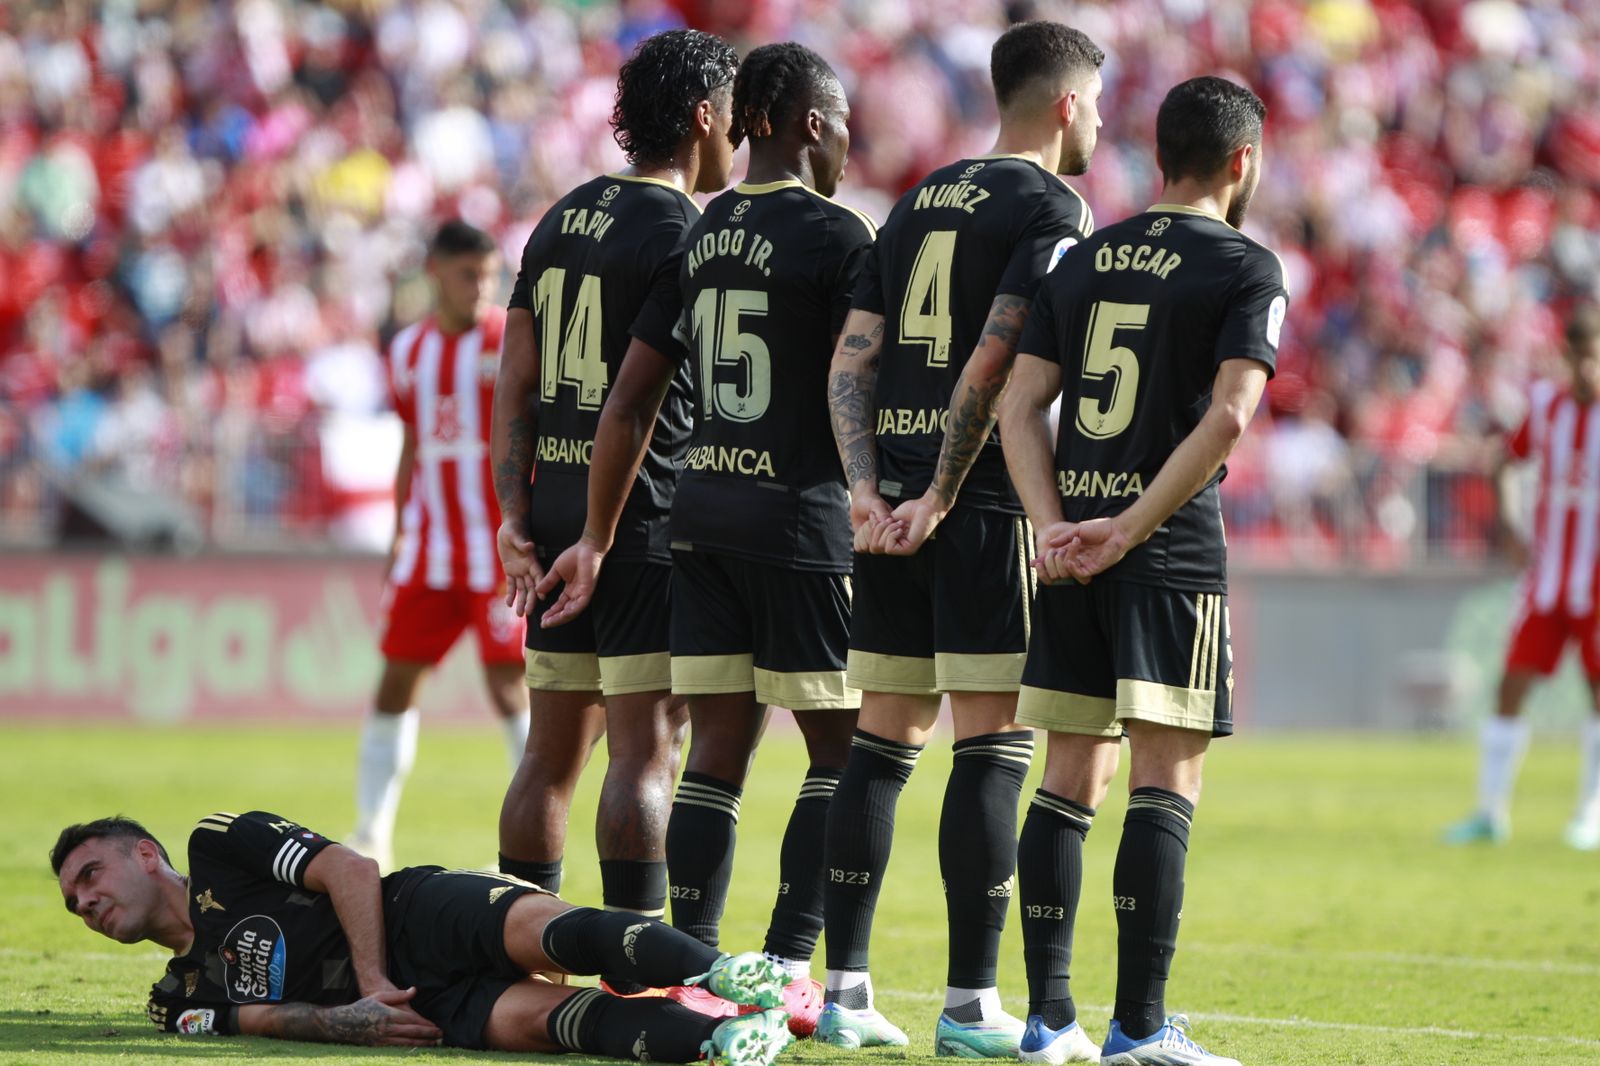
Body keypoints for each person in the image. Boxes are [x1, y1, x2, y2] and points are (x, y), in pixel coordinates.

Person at [536, 43, 874, 1034]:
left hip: (699, 522)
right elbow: (858, 379)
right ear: (811, 123)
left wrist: (597, 532)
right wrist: (884, 501)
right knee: (843, 754)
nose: (853, 139)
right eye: (844, 119)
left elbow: (629, 398)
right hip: (803, 523)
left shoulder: (705, 229)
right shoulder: (840, 231)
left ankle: (691, 965)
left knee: (715, 750)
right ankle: (789, 966)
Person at [817, 20, 1102, 1055]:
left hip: (882, 499)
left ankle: (843, 994)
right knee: (991, 747)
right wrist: (942, 488)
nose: (1100, 125)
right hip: (970, 504)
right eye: (1096, 105)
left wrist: (865, 487)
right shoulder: (1051, 203)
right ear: (1065, 103)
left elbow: (854, 355)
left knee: (882, 742)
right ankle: (971, 1006)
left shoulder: (916, 197)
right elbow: (997, 354)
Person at [997, 75, 1288, 1066]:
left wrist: (1054, 524)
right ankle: (1138, 1028)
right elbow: (1231, 414)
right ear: (1241, 160)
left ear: (1160, 155)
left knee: (1067, 775)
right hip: (1162, 553)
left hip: (1072, 545)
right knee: (1166, 779)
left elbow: (1015, 406)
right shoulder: (1246, 264)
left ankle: (1045, 1021)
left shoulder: (1084, 260)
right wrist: (1124, 528)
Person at [490, 30, 738, 922]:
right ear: (704, 115)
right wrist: (599, 533)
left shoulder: (560, 216)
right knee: (644, 750)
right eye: (733, 116)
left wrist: (514, 519)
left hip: (551, 516)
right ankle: (635, 964)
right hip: (635, 519)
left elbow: (515, 380)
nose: (738, 139)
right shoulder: (685, 232)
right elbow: (646, 402)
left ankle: (518, 946)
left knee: (549, 756)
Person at [51, 812, 794, 1063]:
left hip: (411, 910)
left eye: (89, 875)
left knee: (558, 936)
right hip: (418, 1010)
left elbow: (348, 868)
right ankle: (721, 1043)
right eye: (73, 901)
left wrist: (371, 977)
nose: (85, 901)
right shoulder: (172, 1000)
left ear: (145, 854)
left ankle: (732, 975)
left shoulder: (217, 843)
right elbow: (258, 1019)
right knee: (556, 1024)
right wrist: (352, 1020)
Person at [353, 220, 530, 873]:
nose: (480, 287)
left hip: (494, 549)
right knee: (396, 679)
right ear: (435, 272)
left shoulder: (509, 340)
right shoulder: (406, 352)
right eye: (467, 274)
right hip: (429, 548)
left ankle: (537, 844)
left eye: (488, 274)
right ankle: (371, 833)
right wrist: (400, 533)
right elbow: (411, 446)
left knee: (508, 684)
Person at [1445, 304, 1600, 851]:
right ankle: (1490, 814)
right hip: (1548, 577)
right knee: (1510, 687)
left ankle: (1589, 814)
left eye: (1594, 359)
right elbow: (1503, 460)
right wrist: (1510, 524)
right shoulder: (1546, 407)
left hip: (1597, 583)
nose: (1586, 371)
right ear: (1566, 356)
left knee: (1597, 693)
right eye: (1578, 358)